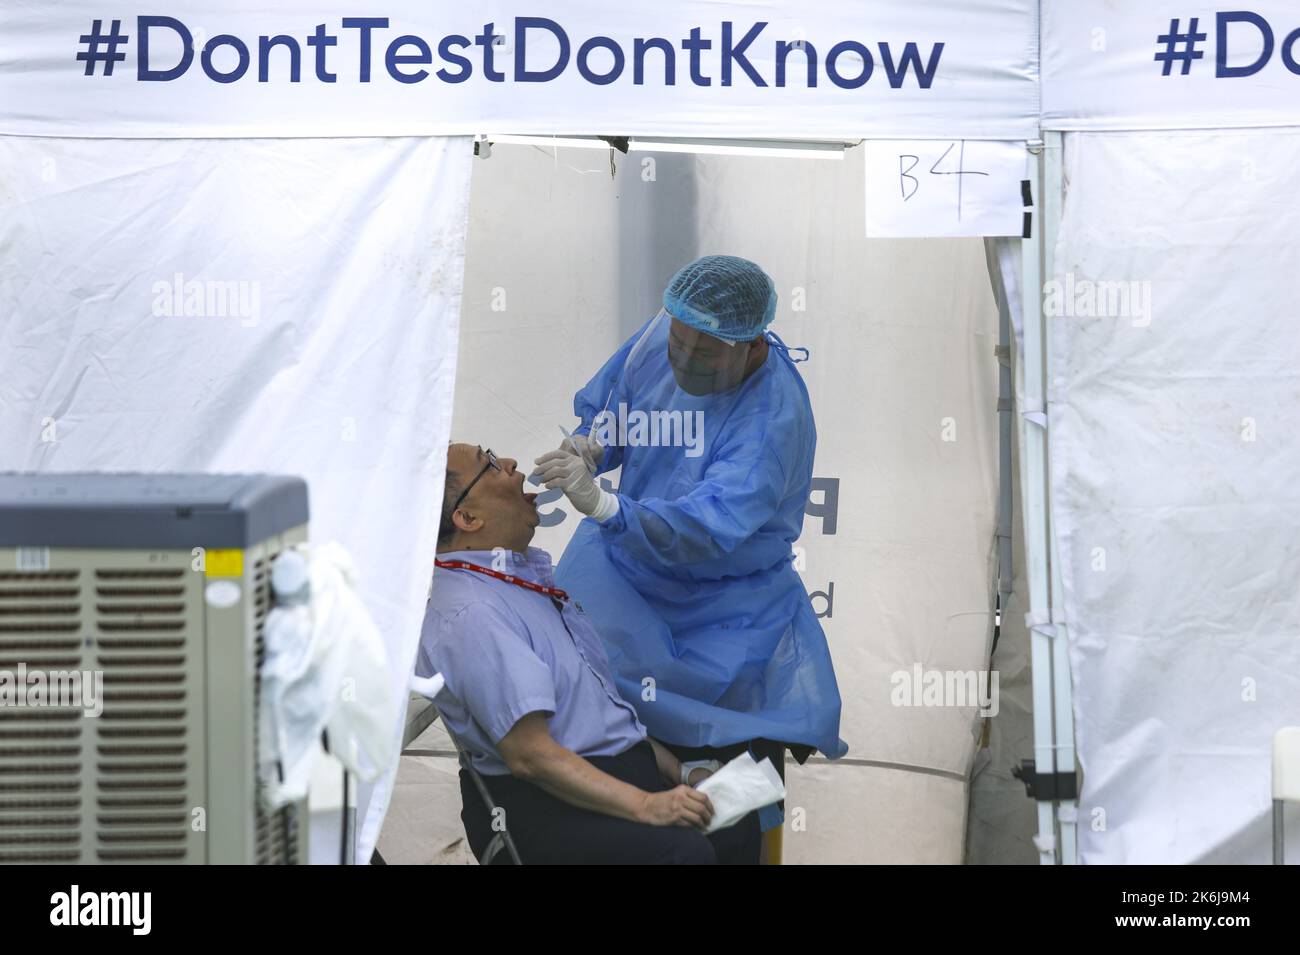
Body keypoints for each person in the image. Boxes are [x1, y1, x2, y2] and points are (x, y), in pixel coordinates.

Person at [533, 255, 847, 838]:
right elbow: (622, 397)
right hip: (623, 575)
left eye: (703, 353)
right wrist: (595, 442)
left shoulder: (770, 420)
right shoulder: (671, 332)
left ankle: (712, 806)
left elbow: (706, 528)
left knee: (724, 800)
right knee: (593, 717)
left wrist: (607, 506)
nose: (681, 358)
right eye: (676, 341)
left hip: (721, 611)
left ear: (751, 345)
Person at [416, 441, 762, 864]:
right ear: (467, 518)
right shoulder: (473, 613)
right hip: (546, 806)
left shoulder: (521, 585)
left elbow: (598, 719)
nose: (509, 463)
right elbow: (530, 756)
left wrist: (683, 773)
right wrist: (647, 805)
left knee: (738, 818)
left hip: (606, 779)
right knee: (682, 853)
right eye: (488, 466)